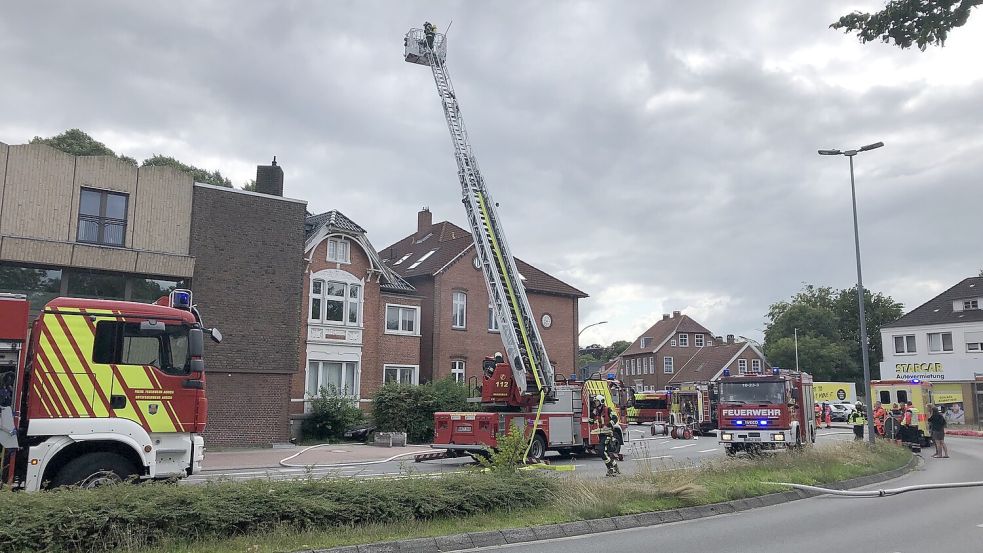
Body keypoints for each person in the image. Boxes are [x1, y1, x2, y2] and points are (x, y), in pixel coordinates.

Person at [589, 394, 620, 477]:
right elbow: (591, 422)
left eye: (597, 401)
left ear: (601, 402)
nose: (595, 403)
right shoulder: (596, 411)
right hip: (601, 434)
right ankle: (614, 466)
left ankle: (610, 469)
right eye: (595, 401)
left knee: (601, 451)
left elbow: (615, 418)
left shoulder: (608, 409)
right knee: (605, 452)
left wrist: (609, 424)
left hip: (608, 433)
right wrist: (592, 415)